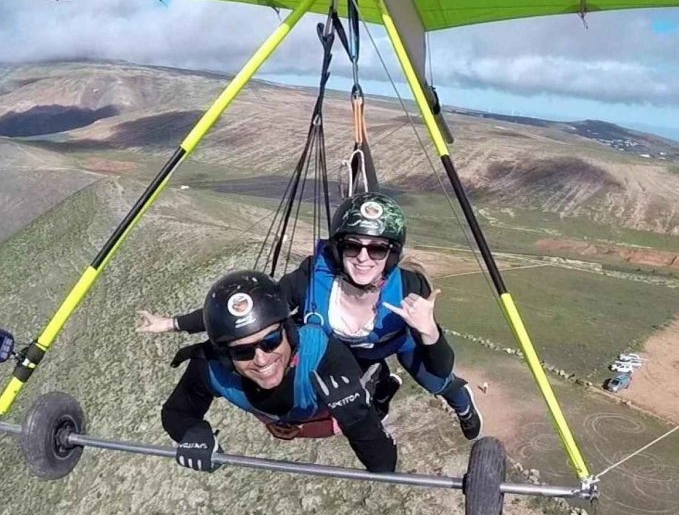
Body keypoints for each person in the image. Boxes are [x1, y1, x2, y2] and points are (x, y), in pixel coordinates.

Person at [139, 192, 481, 439]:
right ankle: (380, 388)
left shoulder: (409, 288)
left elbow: (439, 363)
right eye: (353, 246)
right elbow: (251, 314)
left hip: (394, 341)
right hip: (346, 354)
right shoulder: (310, 283)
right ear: (338, 247)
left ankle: (462, 403)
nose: (363, 257)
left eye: (377, 248)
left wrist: (428, 332)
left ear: (391, 254)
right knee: (338, 401)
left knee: (436, 379)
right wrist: (171, 323)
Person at [162, 269, 398, 473]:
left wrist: (357, 418)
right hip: (288, 416)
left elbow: (384, 465)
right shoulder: (211, 368)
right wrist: (192, 432)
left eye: (271, 340)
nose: (261, 360)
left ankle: (382, 388)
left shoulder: (324, 357)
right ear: (224, 355)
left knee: (361, 406)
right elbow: (175, 411)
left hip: (327, 407)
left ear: (290, 333)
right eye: (242, 352)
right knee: (290, 424)